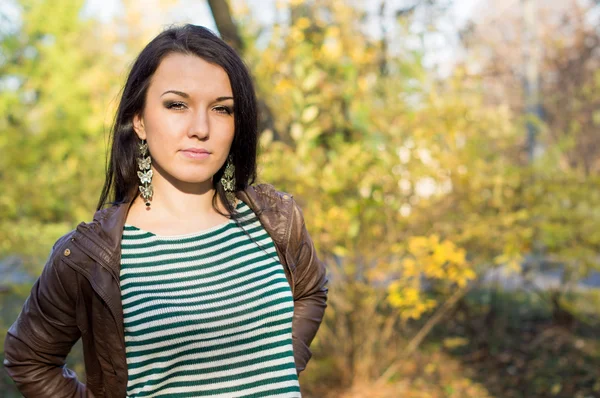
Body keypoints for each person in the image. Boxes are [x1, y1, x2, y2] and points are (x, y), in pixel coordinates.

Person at [4, 24, 328, 398]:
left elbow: (311, 291)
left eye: (222, 109)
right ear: (139, 119)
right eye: (177, 105)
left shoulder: (274, 220)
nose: (201, 128)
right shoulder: (90, 257)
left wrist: (281, 362)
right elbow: (29, 358)